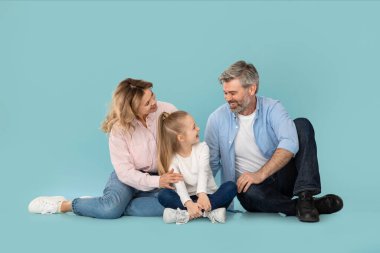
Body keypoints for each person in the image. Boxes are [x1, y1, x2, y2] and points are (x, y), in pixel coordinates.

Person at [204, 60, 343, 222]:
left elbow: (290, 143)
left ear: (251, 89)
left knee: (301, 125)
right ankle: (306, 206)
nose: (228, 98)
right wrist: (196, 195)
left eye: (233, 93)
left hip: (281, 178)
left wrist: (260, 174)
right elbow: (210, 163)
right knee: (244, 190)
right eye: (225, 93)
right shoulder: (216, 119)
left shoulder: (273, 108)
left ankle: (305, 194)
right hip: (253, 191)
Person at [28, 78, 183, 219]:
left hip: (164, 175)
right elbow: (125, 172)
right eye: (147, 103)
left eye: (152, 96)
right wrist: (157, 181)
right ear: (132, 109)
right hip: (128, 178)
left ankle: (105, 204)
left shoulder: (168, 110)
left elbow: (184, 144)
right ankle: (64, 205)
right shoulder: (119, 129)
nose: (154, 103)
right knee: (110, 210)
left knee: (178, 204)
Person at [156, 111, 237, 224]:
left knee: (231, 187)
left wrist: (202, 194)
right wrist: (189, 203)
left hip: (208, 196)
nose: (198, 128)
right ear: (181, 138)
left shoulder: (203, 148)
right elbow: (179, 186)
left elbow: (203, 172)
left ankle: (187, 214)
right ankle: (207, 213)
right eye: (194, 127)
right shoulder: (172, 159)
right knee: (163, 195)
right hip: (187, 199)